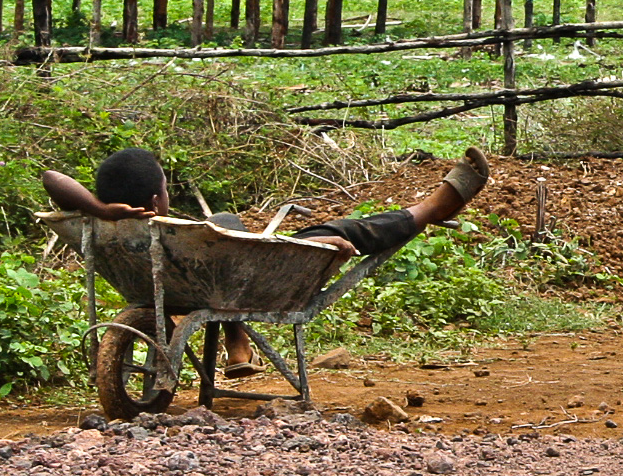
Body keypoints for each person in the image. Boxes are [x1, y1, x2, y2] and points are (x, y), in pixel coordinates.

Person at [41, 147, 494, 376]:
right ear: (158, 194)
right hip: (244, 285)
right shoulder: (164, 228)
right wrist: (319, 255)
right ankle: (435, 208)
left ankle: (237, 345)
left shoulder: (103, 223)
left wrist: (101, 210)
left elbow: (51, 177)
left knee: (233, 234)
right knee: (334, 231)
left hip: (178, 285)